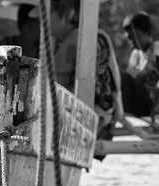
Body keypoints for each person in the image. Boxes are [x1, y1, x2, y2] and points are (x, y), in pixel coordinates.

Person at [50, 0, 123, 160]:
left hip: (88, 119)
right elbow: (116, 81)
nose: (44, 22)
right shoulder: (99, 35)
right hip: (105, 116)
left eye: (49, 14)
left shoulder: (75, 39)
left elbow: (55, 87)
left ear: (66, 13)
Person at [121, 11, 159, 119]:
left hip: (150, 103)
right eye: (129, 38)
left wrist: (156, 108)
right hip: (137, 101)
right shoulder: (136, 54)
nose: (132, 41)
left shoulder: (157, 49)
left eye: (135, 36)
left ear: (148, 33)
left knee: (126, 78)